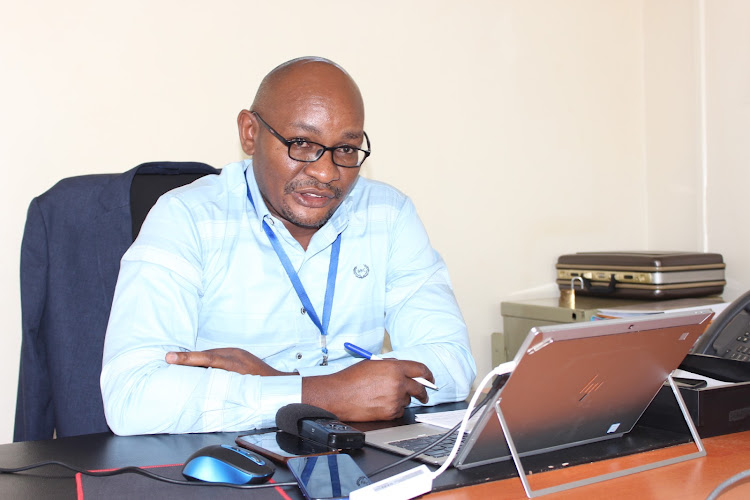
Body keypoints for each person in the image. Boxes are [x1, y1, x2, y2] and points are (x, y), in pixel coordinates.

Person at [100, 57, 476, 435]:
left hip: (360, 456)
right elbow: (132, 396)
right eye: (301, 143)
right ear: (250, 133)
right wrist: (324, 394)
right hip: (232, 464)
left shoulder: (388, 214)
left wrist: (282, 383)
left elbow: (454, 363)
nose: (325, 172)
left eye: (345, 149)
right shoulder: (186, 218)